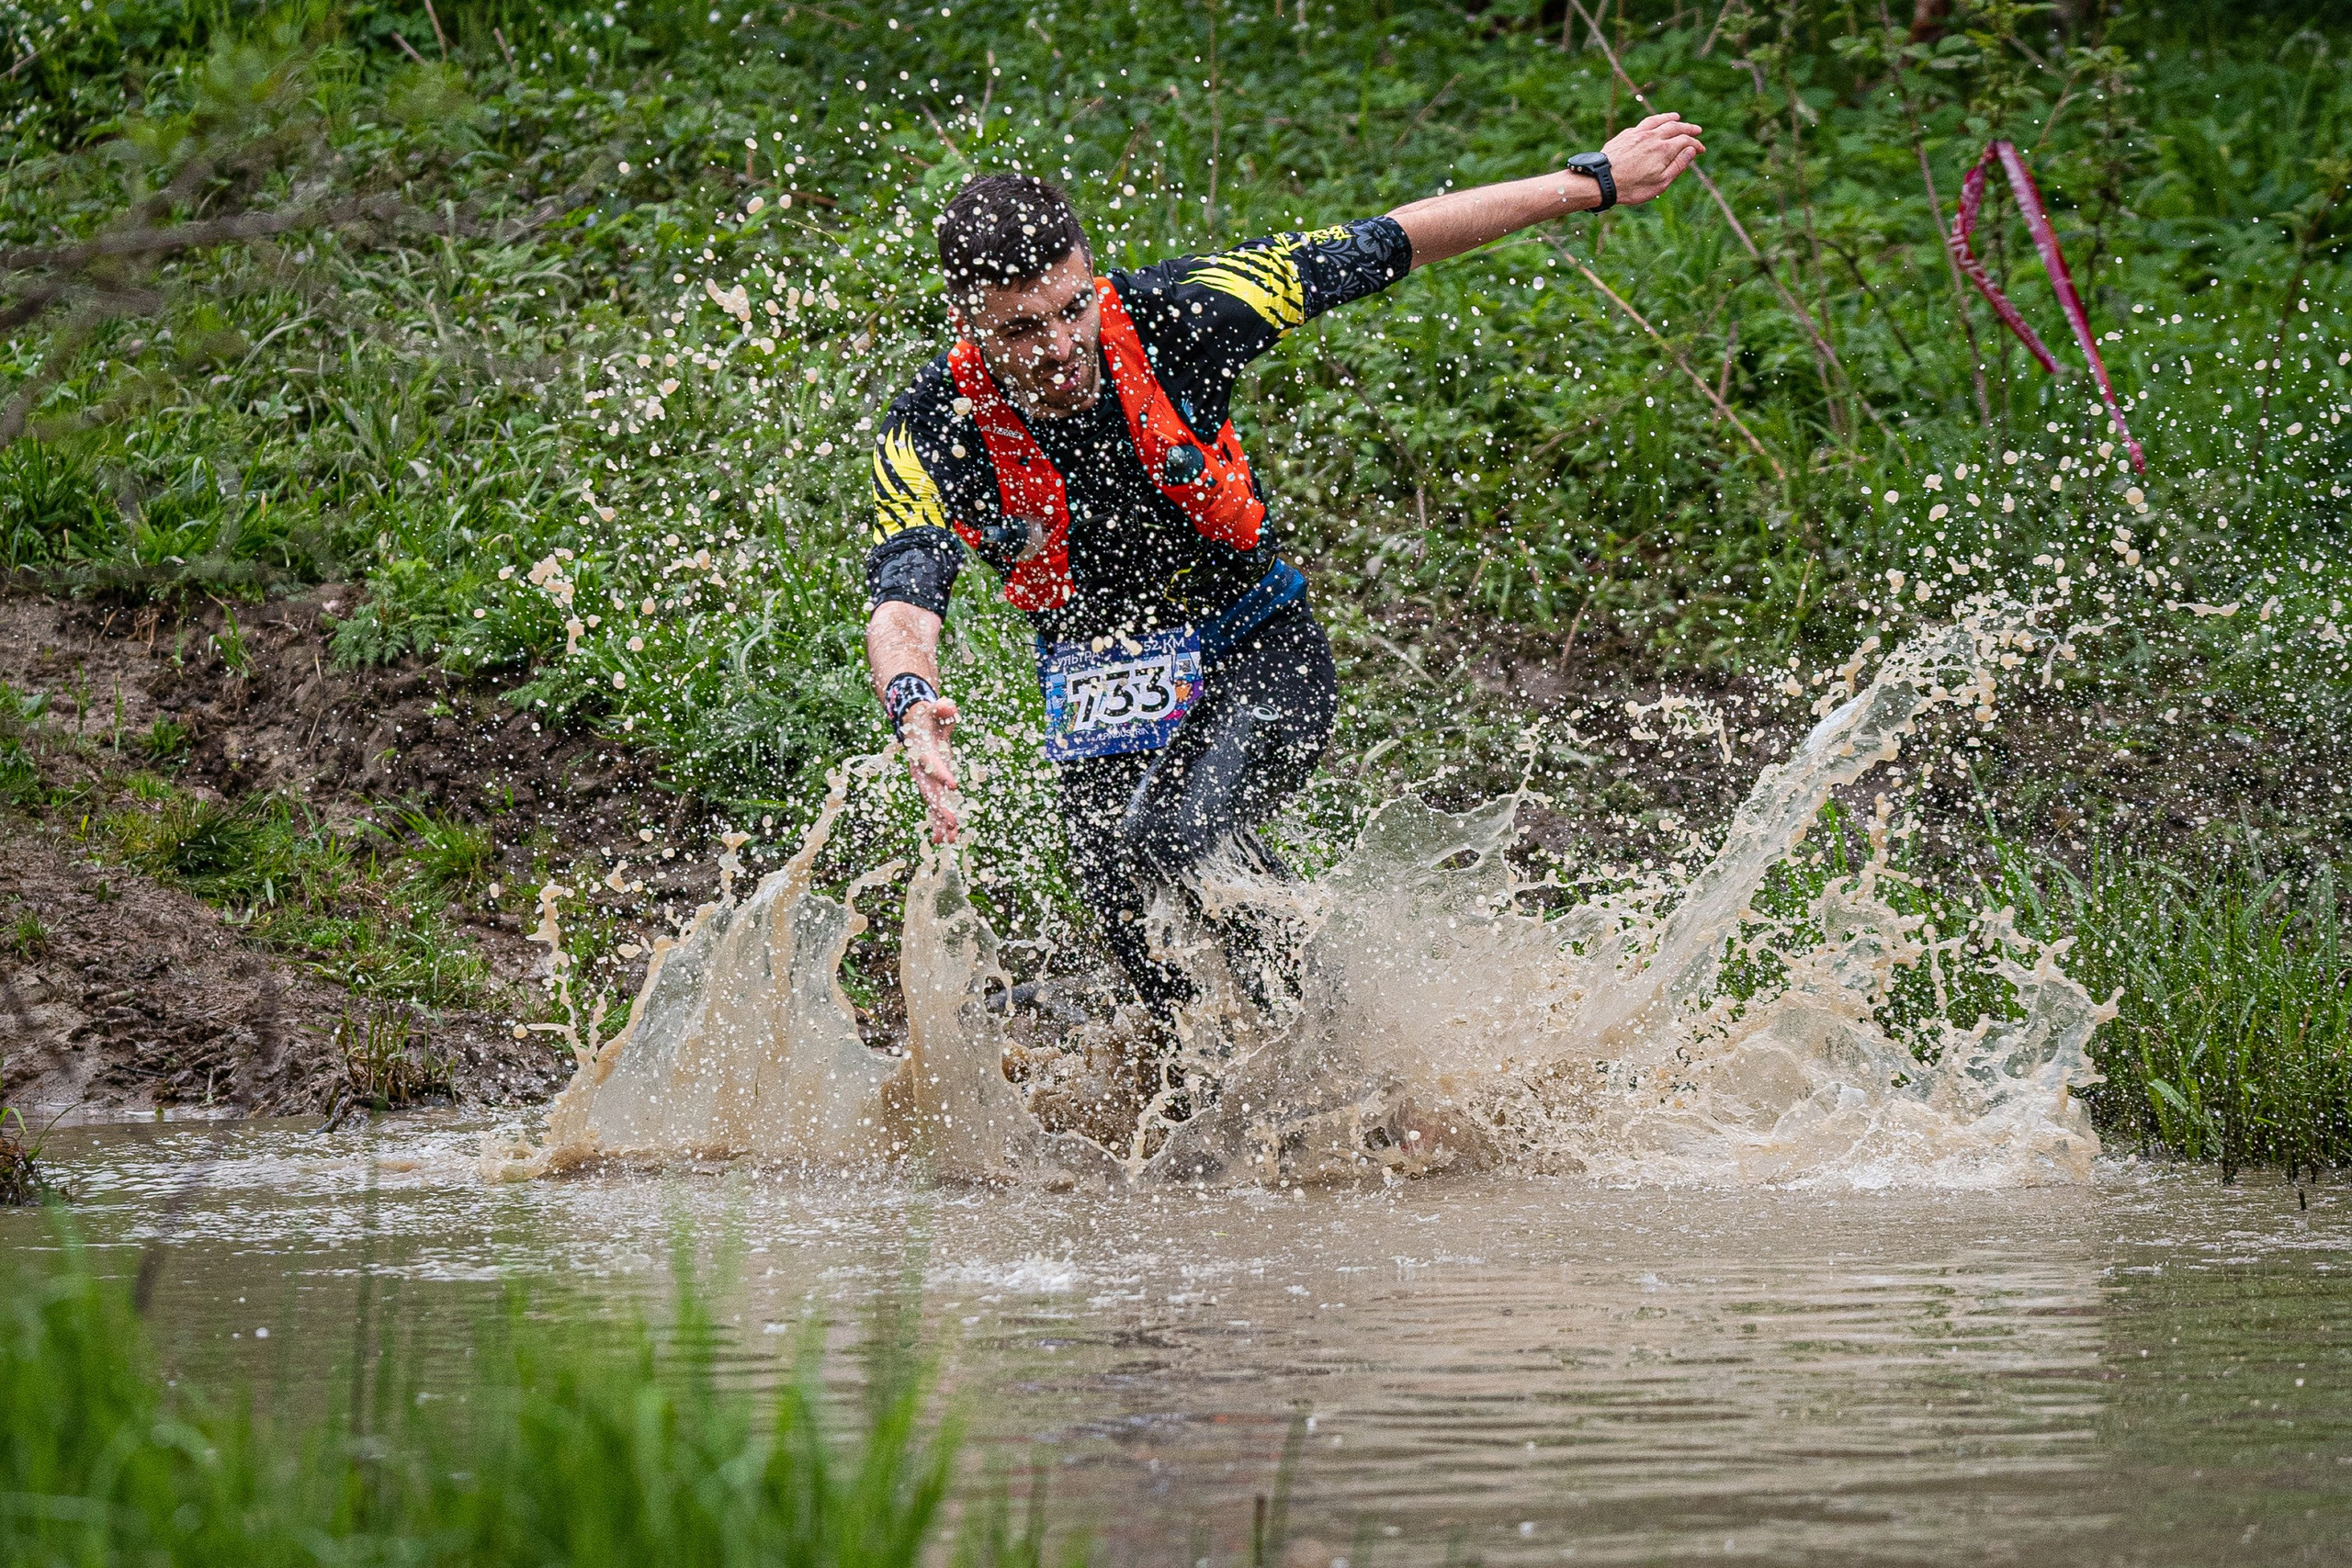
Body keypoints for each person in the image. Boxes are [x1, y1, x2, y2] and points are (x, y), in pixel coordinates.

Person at [864, 113, 1705, 1015]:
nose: (1063, 350)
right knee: (1142, 946)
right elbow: (903, 610)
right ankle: (1224, 1083)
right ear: (967, 319)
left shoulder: (1181, 311)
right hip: (1101, 694)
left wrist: (1593, 181)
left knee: (1175, 834)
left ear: (1090, 279)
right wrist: (913, 702)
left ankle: (1341, 1054)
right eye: (1025, 329)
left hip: (1259, 658)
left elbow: (1392, 239)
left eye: (1072, 309)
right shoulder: (929, 427)